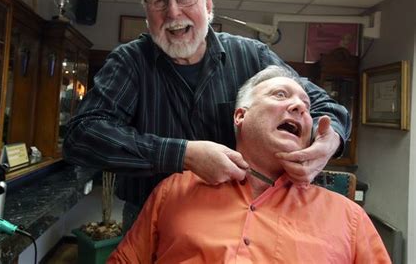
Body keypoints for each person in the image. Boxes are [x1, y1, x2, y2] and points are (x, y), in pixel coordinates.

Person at [63, 0, 350, 232]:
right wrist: (182, 154)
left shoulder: (251, 55)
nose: (173, 12)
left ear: (208, 4)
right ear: (147, 12)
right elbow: (83, 136)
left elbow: (321, 104)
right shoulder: (130, 61)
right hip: (150, 217)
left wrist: (330, 139)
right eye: (160, 1)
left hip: (243, 215)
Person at [107, 66, 390, 264]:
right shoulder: (173, 191)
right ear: (240, 116)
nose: (300, 108)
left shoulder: (349, 218)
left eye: (306, 106)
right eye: (280, 95)